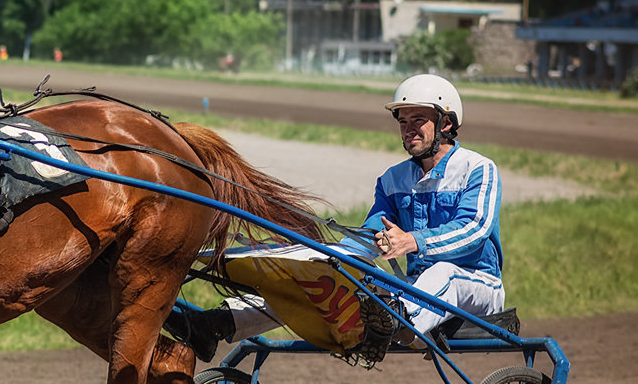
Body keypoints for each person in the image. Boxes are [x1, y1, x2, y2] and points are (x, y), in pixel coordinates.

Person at [165, 74, 504, 363]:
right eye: (403, 121)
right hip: (414, 294)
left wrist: (411, 241)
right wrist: (326, 261)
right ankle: (218, 323)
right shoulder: (392, 179)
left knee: (442, 273)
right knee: (316, 280)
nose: (408, 129)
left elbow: (474, 230)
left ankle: (393, 319)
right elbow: (369, 236)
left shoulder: (478, 169)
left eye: (418, 120)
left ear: (446, 123)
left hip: (475, 287)